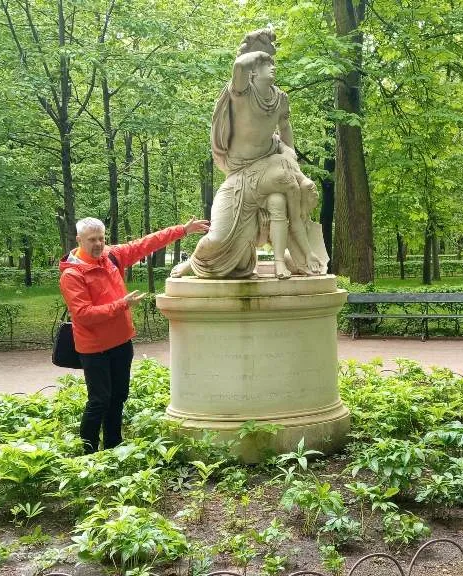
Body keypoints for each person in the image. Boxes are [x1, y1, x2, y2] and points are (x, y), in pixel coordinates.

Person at [172, 29, 325, 280]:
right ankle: (195, 262)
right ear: (254, 70)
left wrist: (291, 158)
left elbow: (285, 130)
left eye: (272, 62)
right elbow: (239, 65)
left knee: (293, 194)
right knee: (217, 238)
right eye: (266, 64)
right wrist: (257, 48)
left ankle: (290, 259)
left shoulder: (280, 99)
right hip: (238, 174)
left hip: (269, 163)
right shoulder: (241, 93)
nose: (272, 66)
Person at [60, 216, 209, 454]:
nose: (98, 244)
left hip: (121, 342)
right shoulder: (72, 274)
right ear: (79, 240)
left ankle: (113, 445)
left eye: (101, 238)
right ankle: (87, 453)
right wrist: (122, 305)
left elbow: (146, 243)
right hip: (94, 347)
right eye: (92, 240)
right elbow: (84, 314)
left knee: (119, 395)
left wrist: (183, 229)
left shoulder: (111, 256)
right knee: (99, 400)